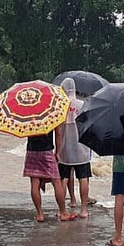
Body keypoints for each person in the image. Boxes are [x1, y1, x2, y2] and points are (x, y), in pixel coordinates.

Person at [56, 77, 93, 218]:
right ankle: (83, 210)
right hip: (82, 147)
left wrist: (57, 150)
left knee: (64, 178)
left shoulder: (60, 106)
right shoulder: (82, 104)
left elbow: (58, 130)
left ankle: (63, 209)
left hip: (65, 148)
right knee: (83, 177)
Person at [24, 128, 77, 222]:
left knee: (34, 182)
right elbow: (58, 133)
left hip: (31, 150)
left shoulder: (29, 115)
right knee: (56, 181)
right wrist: (58, 152)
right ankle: (63, 212)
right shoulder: (51, 114)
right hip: (47, 150)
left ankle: (40, 214)